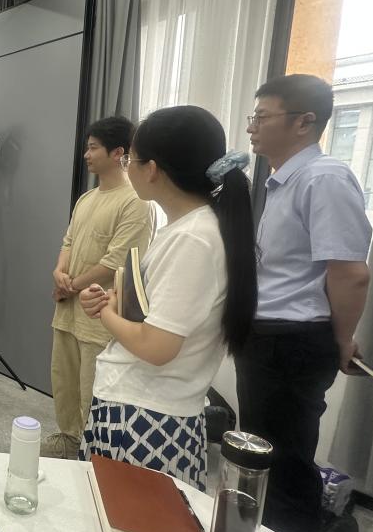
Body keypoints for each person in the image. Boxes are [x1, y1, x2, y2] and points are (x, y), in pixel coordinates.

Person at [78, 105, 256, 490]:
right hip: (145, 405)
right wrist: (113, 300)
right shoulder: (188, 229)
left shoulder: (193, 239)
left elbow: (157, 346)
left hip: (145, 416)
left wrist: (105, 312)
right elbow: (152, 311)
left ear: (153, 169)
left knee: (128, 516)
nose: (127, 168)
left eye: (131, 159)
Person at [239, 74, 372, 532]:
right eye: (253, 116)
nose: (252, 127)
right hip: (270, 337)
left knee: (287, 467)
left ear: (304, 122)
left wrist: (343, 339)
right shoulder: (283, 181)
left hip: (293, 341)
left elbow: (351, 273)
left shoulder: (324, 177)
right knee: (262, 458)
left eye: (262, 116)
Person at [45, 116, 154, 459]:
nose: (86, 155)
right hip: (68, 311)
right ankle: (68, 439)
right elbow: (68, 241)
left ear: (118, 152)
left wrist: (71, 286)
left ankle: (91, 455)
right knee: (64, 382)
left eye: (93, 148)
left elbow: (116, 263)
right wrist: (59, 272)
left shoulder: (135, 202)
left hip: (98, 317)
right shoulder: (87, 199)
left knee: (92, 392)